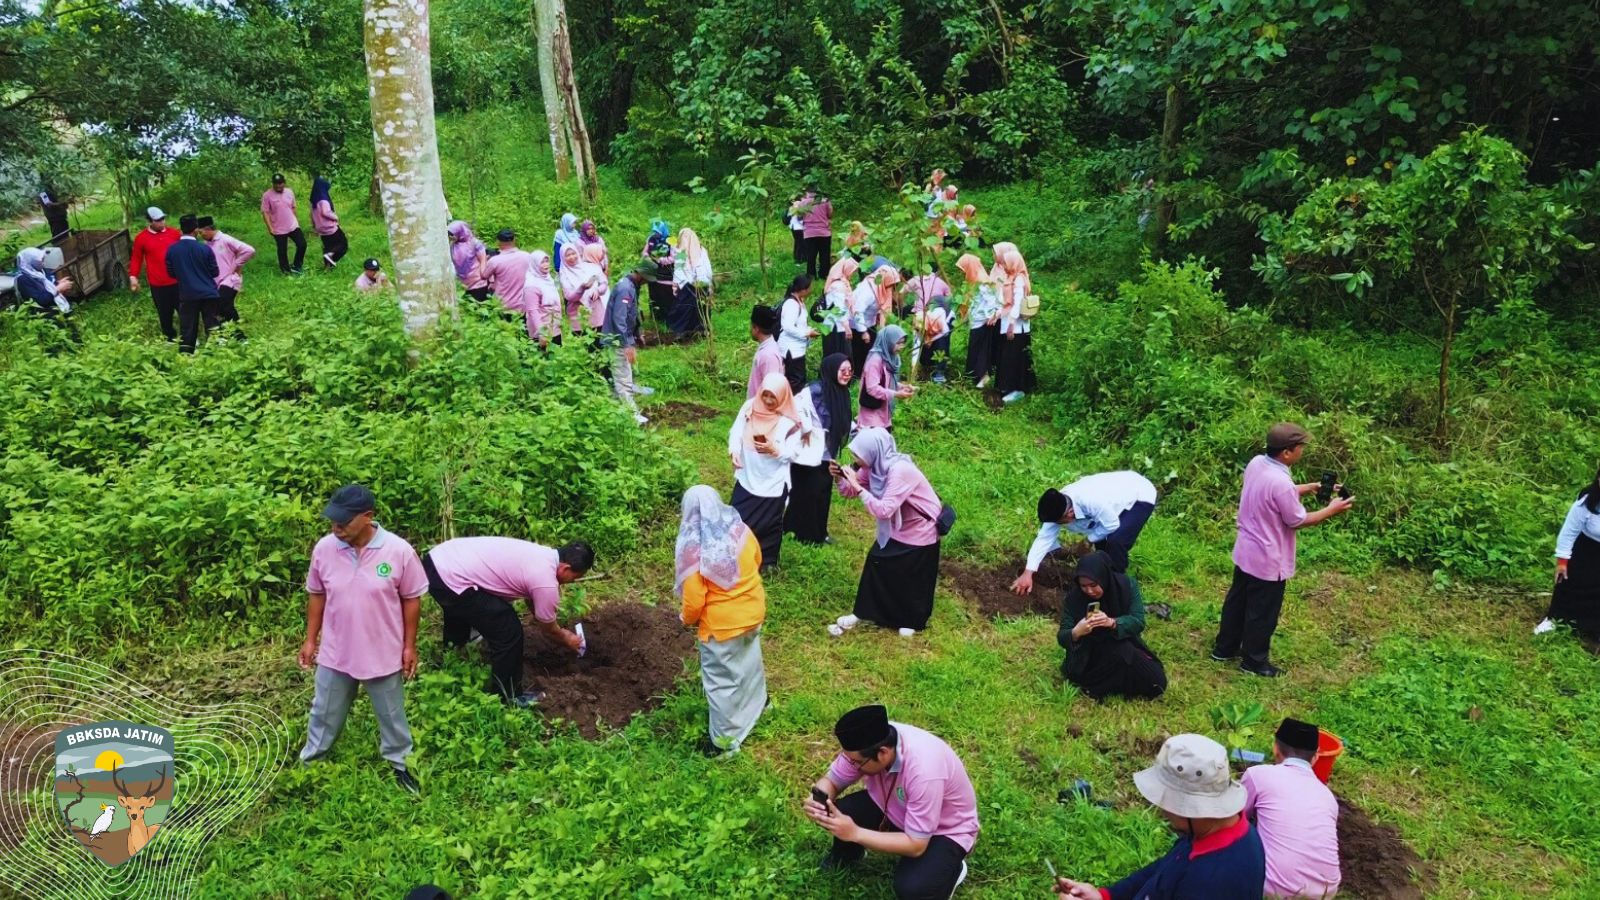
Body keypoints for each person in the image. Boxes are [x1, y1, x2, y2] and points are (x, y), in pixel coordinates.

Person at [297, 485, 427, 794]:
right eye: (332, 521)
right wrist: (310, 640)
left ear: (368, 517)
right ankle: (311, 763)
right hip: (336, 650)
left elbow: (412, 599)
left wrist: (409, 645)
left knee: (392, 714)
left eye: (343, 522)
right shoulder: (325, 548)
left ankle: (400, 764)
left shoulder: (398, 551)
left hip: (382, 651)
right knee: (324, 711)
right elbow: (317, 594)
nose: (336, 528)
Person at [1212, 423, 1354, 677]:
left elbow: (1271, 493)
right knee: (1262, 613)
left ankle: (1224, 648)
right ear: (1287, 453)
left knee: (1237, 601)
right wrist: (1331, 509)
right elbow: (1297, 520)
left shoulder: (1257, 463)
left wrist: (1307, 488)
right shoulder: (1280, 481)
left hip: (1246, 549)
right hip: (1268, 557)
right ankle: (1253, 662)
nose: (1302, 452)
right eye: (1300, 448)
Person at [1054, 734, 1266, 900]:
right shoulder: (1219, 830)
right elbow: (1162, 871)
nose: (1162, 808)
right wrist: (1105, 895)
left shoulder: (1209, 883)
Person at [805, 704, 977, 899]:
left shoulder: (924, 771)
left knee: (912, 888)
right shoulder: (871, 740)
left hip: (945, 829)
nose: (851, 765)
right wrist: (819, 796)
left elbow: (916, 845)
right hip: (897, 806)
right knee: (839, 812)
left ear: (883, 753)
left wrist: (855, 833)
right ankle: (849, 854)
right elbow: (832, 781)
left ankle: (952, 869)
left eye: (856, 762)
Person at [421, 536, 591, 706]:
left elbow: (532, 599)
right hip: (450, 576)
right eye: (574, 578)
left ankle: (453, 655)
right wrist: (566, 637)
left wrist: (542, 612)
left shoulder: (542, 554)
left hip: (437, 561)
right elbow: (547, 627)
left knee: (461, 607)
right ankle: (508, 696)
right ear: (566, 568)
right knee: (508, 630)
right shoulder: (545, 581)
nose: (572, 582)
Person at [676, 485, 768, 757]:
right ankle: (759, 705)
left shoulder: (695, 548)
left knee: (721, 683)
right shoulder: (740, 530)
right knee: (749, 664)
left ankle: (725, 742)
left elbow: (694, 601)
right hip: (753, 610)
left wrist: (685, 619)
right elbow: (758, 558)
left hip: (722, 627)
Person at [832, 430, 944, 635]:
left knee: (911, 575)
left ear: (873, 452)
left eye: (858, 455)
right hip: (899, 526)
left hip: (921, 528)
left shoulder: (900, 470)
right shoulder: (873, 467)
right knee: (878, 561)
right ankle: (864, 613)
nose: (855, 460)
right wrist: (840, 478)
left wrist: (857, 486)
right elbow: (849, 491)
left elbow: (884, 510)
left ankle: (911, 620)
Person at [1241, 718, 1341, 899]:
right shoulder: (1328, 797)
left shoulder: (1259, 775)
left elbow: (1237, 816)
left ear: (1275, 748)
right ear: (1316, 757)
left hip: (1273, 889)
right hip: (1326, 892)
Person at [1014, 471, 1159, 594]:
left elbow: (1112, 524)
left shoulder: (1089, 500)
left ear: (1069, 514)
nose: (1057, 525)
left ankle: (1118, 588)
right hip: (1113, 498)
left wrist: (1088, 540)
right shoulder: (1058, 507)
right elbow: (1043, 539)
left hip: (1138, 494)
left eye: (1059, 523)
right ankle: (1103, 578)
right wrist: (1028, 573)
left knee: (1116, 542)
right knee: (1102, 544)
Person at [1056, 551, 1166, 701]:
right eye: (1084, 586)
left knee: (1156, 682)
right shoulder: (1074, 599)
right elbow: (1062, 636)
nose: (1089, 591)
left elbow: (1138, 621)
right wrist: (1076, 632)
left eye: (1094, 585)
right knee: (1120, 655)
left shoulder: (1126, 586)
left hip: (1123, 642)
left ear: (1104, 577)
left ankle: (1111, 684)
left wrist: (1112, 623)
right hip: (1089, 654)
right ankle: (1101, 686)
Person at [729, 372, 807, 571]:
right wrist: (735, 451)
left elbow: (795, 453)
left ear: (783, 396)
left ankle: (766, 561)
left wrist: (776, 450)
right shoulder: (750, 407)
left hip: (772, 481)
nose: (769, 401)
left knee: (769, 523)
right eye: (765, 395)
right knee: (737, 517)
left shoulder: (790, 422)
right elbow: (736, 431)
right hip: (748, 476)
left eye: (774, 397)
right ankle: (733, 554)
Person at [787, 353, 853, 546]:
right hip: (809, 451)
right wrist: (807, 428)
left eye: (850, 371)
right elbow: (795, 408)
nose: (847, 374)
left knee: (823, 493)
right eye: (843, 370)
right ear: (832, 370)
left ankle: (819, 533)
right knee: (806, 492)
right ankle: (800, 533)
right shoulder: (814, 391)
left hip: (826, 453)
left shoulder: (842, 392)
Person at [1537, 467, 1600, 639]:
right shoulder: (1588, 501)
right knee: (1567, 581)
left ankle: (1591, 627)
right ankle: (1554, 619)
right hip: (1584, 551)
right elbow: (1569, 531)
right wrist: (1562, 562)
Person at [163, 214, 220, 354]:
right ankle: (215, 355)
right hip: (208, 293)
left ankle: (187, 355)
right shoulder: (204, 249)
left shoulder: (172, 250)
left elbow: (171, 273)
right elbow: (215, 272)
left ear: (181, 230)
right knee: (212, 326)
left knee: (187, 328)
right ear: (195, 230)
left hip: (187, 294)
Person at [603, 262, 652, 424]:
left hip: (624, 338)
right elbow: (619, 319)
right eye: (647, 279)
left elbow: (632, 314)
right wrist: (626, 344)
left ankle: (622, 408)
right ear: (641, 274)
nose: (647, 282)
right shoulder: (625, 288)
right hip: (617, 340)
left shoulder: (632, 286)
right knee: (622, 377)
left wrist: (637, 334)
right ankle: (632, 416)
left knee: (625, 374)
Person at [127, 207, 181, 342]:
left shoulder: (174, 234)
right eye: (158, 220)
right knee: (164, 313)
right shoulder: (141, 238)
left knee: (184, 310)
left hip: (178, 281)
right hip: (158, 284)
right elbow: (136, 258)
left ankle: (189, 335)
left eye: (163, 219)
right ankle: (170, 337)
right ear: (149, 221)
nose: (162, 222)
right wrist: (133, 276)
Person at [992, 243, 1035, 404]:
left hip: (1016, 328)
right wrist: (996, 315)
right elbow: (1006, 304)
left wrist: (1010, 324)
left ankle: (1016, 389)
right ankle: (1007, 386)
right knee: (1007, 357)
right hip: (1008, 325)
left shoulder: (1019, 280)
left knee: (1014, 358)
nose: (1003, 265)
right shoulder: (1010, 278)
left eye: (1005, 262)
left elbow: (1017, 304)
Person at [198, 216, 253, 339]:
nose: (200, 235)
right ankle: (226, 334)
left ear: (207, 229)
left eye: (201, 232)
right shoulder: (206, 244)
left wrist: (237, 265)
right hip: (216, 282)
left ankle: (240, 337)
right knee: (220, 308)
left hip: (230, 279)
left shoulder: (225, 239)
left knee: (224, 304)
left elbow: (248, 250)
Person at [858, 324, 915, 432]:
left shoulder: (891, 358)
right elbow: (872, 388)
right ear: (888, 342)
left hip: (884, 413)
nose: (901, 347)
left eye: (902, 343)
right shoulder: (875, 360)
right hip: (872, 414)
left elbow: (888, 382)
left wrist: (902, 387)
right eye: (898, 343)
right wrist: (896, 394)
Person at [957, 253, 999, 388]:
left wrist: (989, 316)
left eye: (963, 269)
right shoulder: (974, 279)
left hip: (982, 321)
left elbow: (991, 300)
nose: (962, 272)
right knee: (976, 348)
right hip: (977, 319)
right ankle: (975, 377)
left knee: (979, 349)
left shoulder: (981, 280)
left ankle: (982, 377)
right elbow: (975, 301)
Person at [849, 265, 898, 379]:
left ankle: (866, 374)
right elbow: (858, 311)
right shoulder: (869, 291)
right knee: (860, 351)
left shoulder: (881, 287)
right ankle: (857, 376)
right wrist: (863, 332)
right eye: (891, 283)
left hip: (869, 323)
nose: (892, 287)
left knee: (870, 350)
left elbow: (883, 307)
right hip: (857, 325)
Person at [12, 247, 76, 332]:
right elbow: (40, 301)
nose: (43, 263)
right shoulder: (23, 280)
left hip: (57, 307)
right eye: (41, 261)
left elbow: (48, 285)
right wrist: (58, 289)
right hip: (46, 315)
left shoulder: (41, 271)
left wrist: (58, 284)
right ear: (31, 262)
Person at [667, 227, 712, 336]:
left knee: (685, 308)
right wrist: (709, 284)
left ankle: (681, 331)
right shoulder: (702, 250)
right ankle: (701, 330)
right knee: (700, 307)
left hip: (688, 286)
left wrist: (676, 287)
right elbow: (708, 269)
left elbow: (678, 272)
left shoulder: (682, 252)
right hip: (701, 285)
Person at [778, 275, 818, 391]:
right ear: (803, 289)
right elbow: (788, 326)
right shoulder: (791, 304)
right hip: (791, 349)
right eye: (809, 288)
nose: (811, 290)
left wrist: (809, 330)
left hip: (798, 348)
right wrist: (807, 333)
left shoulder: (799, 302)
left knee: (798, 378)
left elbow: (799, 324)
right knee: (795, 381)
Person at [260, 174, 306, 275]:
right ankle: (286, 271)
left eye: (280, 184)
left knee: (302, 244)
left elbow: (293, 207)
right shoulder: (267, 195)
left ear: (284, 182)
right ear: (273, 184)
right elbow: (265, 212)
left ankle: (297, 266)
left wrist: (296, 220)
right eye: (276, 184)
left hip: (292, 225)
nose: (278, 186)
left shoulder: (289, 192)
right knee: (282, 250)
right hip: (278, 228)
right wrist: (270, 228)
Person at [483, 228, 533, 314]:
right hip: (524, 305)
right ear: (514, 240)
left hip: (503, 306)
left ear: (498, 242)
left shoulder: (495, 261)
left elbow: (484, 276)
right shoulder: (527, 256)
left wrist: (483, 259)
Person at [559, 243, 606, 335]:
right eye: (568, 255)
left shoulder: (590, 267)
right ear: (563, 258)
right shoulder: (564, 275)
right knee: (583, 344)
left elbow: (604, 283)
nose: (572, 257)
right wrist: (582, 288)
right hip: (578, 316)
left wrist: (598, 290)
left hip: (596, 312)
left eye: (573, 253)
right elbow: (570, 297)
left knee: (599, 344)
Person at [819, 256, 859, 361]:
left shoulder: (843, 283)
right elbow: (839, 308)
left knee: (833, 354)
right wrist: (846, 327)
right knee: (840, 355)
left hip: (832, 325)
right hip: (836, 327)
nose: (853, 274)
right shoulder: (838, 286)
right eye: (852, 271)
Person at [521, 250, 562, 346]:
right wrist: (542, 333)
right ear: (534, 264)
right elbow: (533, 311)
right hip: (541, 332)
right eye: (542, 262)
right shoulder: (531, 285)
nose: (546, 265)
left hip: (554, 327)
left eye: (547, 261)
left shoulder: (547, 279)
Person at [791, 189, 834, 278]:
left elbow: (799, 217)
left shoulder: (803, 203)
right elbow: (830, 214)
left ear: (807, 192)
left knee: (811, 255)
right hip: (824, 232)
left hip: (809, 233)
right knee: (825, 255)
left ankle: (811, 275)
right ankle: (824, 274)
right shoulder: (825, 201)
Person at [747, 304, 785, 399]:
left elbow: (771, 390)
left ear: (756, 328)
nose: (750, 329)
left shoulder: (769, 356)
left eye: (751, 326)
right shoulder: (766, 348)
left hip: (760, 410)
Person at [309, 176, 348, 269]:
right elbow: (325, 212)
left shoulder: (313, 201)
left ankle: (327, 267)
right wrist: (336, 217)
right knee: (343, 245)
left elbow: (311, 215)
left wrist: (314, 226)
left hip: (320, 228)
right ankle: (330, 255)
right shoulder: (323, 199)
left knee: (328, 246)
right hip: (329, 227)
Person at [643, 219, 677, 321]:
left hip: (667, 275)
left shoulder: (672, 241)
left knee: (666, 298)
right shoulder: (651, 239)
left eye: (658, 231)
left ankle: (669, 319)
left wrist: (660, 260)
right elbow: (645, 253)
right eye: (654, 231)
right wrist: (648, 258)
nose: (656, 233)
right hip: (653, 275)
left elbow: (674, 258)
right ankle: (656, 318)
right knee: (654, 296)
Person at [447, 221, 490, 301]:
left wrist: (483, 274)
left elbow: (483, 260)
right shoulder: (452, 246)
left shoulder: (474, 243)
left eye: (453, 234)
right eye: (449, 235)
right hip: (463, 285)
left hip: (478, 283)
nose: (451, 237)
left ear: (461, 232)